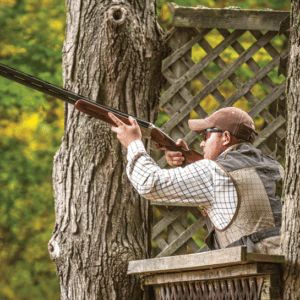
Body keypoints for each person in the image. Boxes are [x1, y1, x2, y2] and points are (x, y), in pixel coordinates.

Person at [108, 107, 283, 255]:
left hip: (251, 277)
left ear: (226, 138)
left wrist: (133, 143)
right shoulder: (275, 166)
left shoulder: (212, 172)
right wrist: (188, 160)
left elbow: (148, 183)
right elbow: (237, 183)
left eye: (206, 136)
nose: (201, 144)